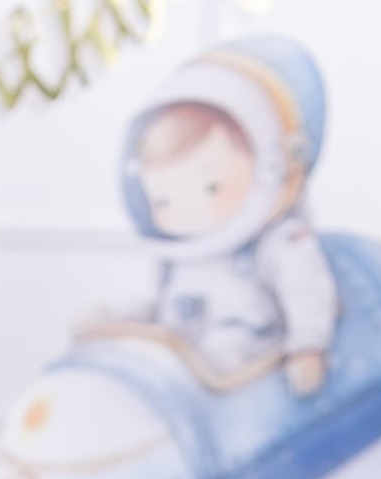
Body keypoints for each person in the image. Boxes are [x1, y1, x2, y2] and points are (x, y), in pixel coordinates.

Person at [118, 36, 338, 395]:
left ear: (273, 168)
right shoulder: (179, 258)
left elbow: (306, 291)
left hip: (246, 373)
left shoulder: (278, 242)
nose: (185, 212)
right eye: (163, 201)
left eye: (210, 189)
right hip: (180, 375)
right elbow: (163, 303)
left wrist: (307, 346)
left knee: (221, 353)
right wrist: (126, 321)